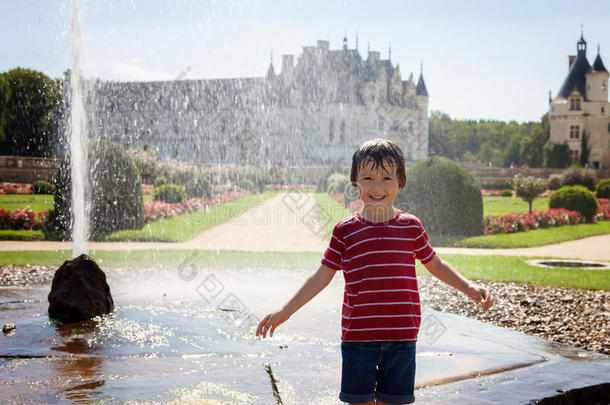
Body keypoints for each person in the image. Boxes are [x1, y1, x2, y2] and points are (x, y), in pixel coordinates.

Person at [256, 139, 493, 405]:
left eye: (386, 178)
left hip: (402, 337)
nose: (377, 187)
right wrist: (285, 312)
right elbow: (322, 276)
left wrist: (469, 288)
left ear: (400, 182)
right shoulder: (345, 231)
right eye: (368, 178)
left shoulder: (411, 227)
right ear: (355, 182)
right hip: (358, 338)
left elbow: (435, 264)